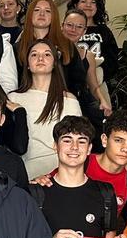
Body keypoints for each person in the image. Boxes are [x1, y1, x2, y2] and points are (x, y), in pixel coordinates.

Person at [17, 0, 106, 129]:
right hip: (28, 104)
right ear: (29, 15)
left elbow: (79, 82)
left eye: (47, 11)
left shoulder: (67, 46)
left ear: (54, 16)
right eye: (37, 10)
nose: (42, 14)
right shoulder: (17, 48)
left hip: (64, 106)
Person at [10, 40, 82, 178]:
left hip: (60, 169)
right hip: (24, 169)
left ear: (54, 63)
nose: (40, 58)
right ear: (27, 64)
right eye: (34, 55)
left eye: (47, 54)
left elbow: (78, 140)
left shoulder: (69, 100)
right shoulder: (13, 98)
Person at [68, 0, 119, 101]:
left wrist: (98, 75)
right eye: (83, 1)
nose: (88, 5)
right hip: (72, 85)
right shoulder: (68, 29)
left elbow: (113, 60)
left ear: (98, 7)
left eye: (93, 2)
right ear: (75, 5)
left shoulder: (104, 31)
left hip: (99, 84)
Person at [61, 8, 113, 117]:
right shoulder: (50, 51)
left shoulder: (88, 55)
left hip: (82, 103)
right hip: (58, 102)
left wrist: (103, 101)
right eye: (69, 25)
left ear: (84, 31)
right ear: (62, 26)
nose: (73, 30)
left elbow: (94, 86)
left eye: (79, 27)